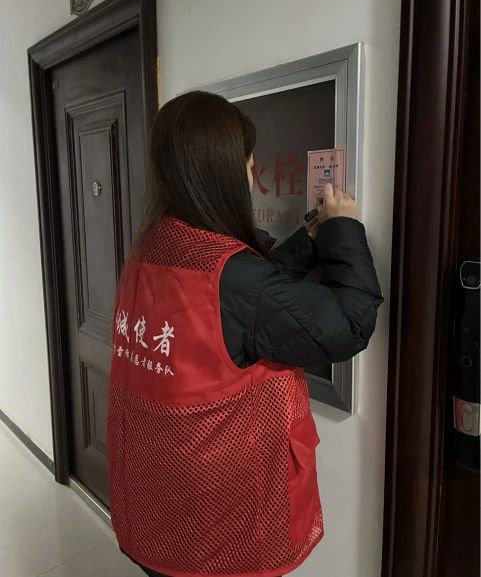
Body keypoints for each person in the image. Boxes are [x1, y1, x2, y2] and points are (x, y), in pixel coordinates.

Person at [107, 91, 383, 577]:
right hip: (221, 534)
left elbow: (246, 300)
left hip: (157, 511)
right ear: (224, 173)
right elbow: (348, 325)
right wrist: (343, 228)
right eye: (250, 165)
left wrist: (310, 239)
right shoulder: (231, 277)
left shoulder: (149, 252)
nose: (254, 178)